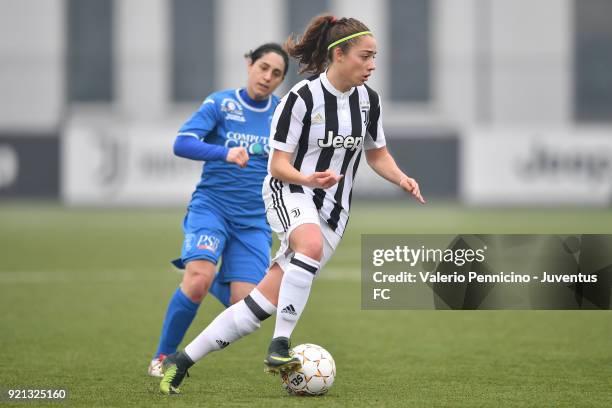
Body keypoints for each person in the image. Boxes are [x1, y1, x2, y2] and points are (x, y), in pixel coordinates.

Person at [158, 14, 425, 394]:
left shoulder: (369, 101)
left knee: (256, 308)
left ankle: (180, 363)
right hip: (289, 189)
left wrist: (401, 178)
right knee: (310, 245)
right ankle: (280, 345)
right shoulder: (300, 99)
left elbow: (376, 153)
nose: (372, 65)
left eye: (374, 57)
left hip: (334, 210)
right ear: (339, 54)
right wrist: (307, 179)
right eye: (365, 56)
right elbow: (277, 164)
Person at [147, 43, 289, 377]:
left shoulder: (282, 112)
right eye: (263, 67)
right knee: (196, 280)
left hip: (254, 220)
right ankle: (163, 357)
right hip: (212, 208)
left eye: (277, 73)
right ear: (249, 64)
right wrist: (223, 153)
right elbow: (182, 143)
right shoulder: (221, 103)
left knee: (248, 307)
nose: (267, 77)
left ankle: (206, 275)